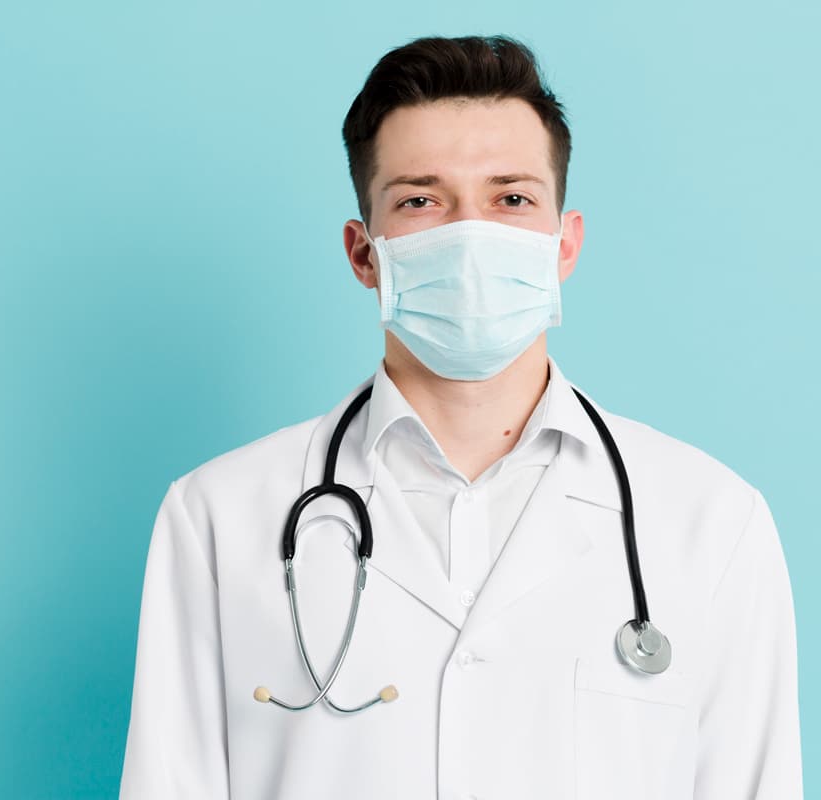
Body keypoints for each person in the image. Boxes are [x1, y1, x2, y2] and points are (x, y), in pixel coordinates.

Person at [118, 35, 802, 799]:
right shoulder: (220, 516)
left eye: (511, 198)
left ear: (563, 244)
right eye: (420, 200)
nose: (470, 235)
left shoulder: (711, 524)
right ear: (363, 254)